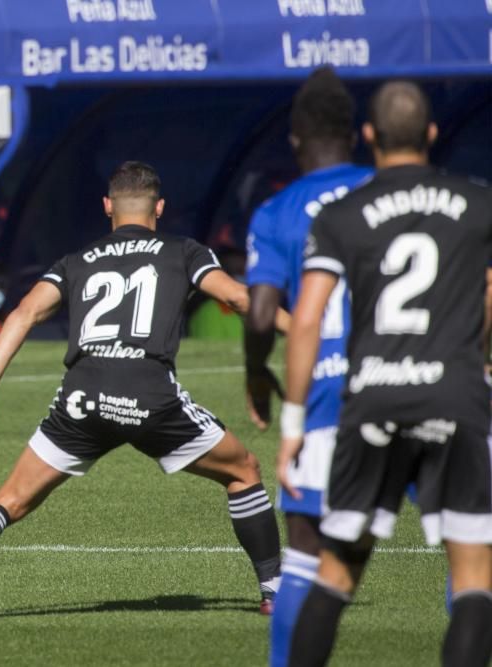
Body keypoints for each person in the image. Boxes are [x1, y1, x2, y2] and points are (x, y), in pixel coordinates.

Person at [0, 161, 284, 622]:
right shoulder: (184, 251)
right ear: (159, 207)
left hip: (81, 398)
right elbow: (238, 299)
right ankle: (273, 590)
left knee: (10, 499)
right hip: (149, 395)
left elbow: (22, 314)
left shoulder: (77, 260)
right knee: (243, 469)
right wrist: (304, 331)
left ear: (107, 207)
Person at [278, 81, 492, 666]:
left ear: (369, 137)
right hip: (455, 394)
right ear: (431, 134)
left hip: (372, 399)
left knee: (337, 573)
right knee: (474, 576)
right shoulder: (478, 204)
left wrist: (293, 424)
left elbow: (306, 319)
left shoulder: (342, 214)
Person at [243, 67, 373, 667]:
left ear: (294, 138)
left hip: (329, 395)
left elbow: (262, 311)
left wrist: (256, 374)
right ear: (358, 134)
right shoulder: (394, 191)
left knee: (304, 550)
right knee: (473, 550)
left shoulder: (278, 211)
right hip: (428, 386)